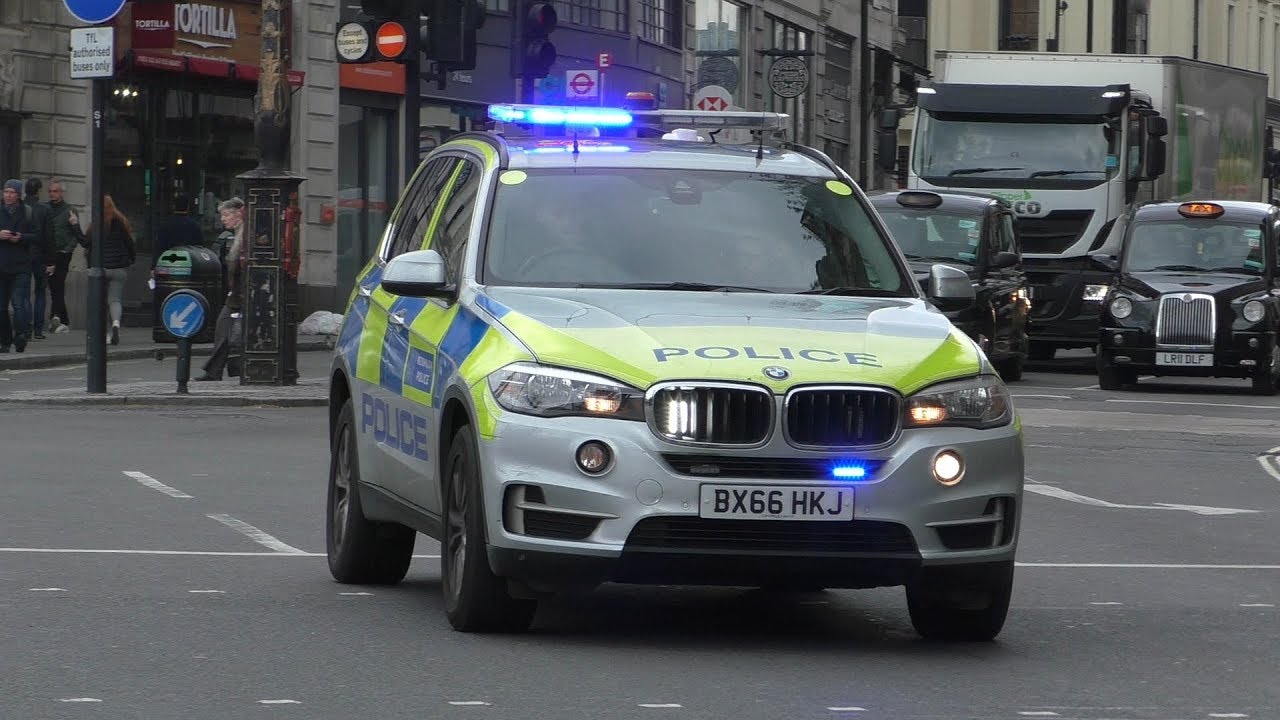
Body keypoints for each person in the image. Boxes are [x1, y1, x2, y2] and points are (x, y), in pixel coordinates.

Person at [197, 197, 245, 381]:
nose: (223, 219)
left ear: (238, 214)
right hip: (236, 294)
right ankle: (215, 371)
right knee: (223, 329)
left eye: (226, 215)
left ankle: (220, 370)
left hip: (244, 293)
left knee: (229, 330)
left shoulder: (245, 236)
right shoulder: (235, 236)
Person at [83, 194, 137, 346]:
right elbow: (129, 244)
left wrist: (74, 225)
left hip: (101, 268)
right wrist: (131, 259)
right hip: (119, 268)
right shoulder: (121, 222)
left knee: (100, 302)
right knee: (114, 300)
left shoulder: (96, 224)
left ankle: (105, 334)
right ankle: (116, 324)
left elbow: (86, 243)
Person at [0, 178, 37, 353]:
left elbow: (37, 236)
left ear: (18, 195)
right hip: (1, 265)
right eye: (6, 191)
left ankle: (21, 336)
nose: (8, 195)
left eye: (11, 192)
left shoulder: (27, 212)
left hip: (21, 265)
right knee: (1, 307)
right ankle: (4, 340)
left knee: (18, 304)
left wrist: (21, 237)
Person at [46, 179, 84, 333]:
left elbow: (76, 234)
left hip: (62, 253)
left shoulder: (70, 210)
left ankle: (55, 317)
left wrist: (68, 249)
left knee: (58, 283)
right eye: (50, 191)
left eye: (55, 191)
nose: (52, 194)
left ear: (61, 193)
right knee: (53, 285)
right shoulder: (46, 209)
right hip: (48, 253)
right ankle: (63, 318)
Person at [23, 178, 54, 339]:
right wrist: (51, 261)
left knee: (25, 293)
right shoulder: (45, 209)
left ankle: (26, 329)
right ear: (39, 191)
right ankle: (37, 330)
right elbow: (49, 237)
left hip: (23, 255)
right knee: (40, 292)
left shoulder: (21, 207)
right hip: (40, 256)